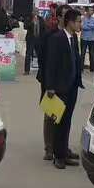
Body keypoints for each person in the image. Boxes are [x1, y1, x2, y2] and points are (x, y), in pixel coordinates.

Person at [42, 8, 85, 169]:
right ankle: (58, 156)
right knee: (58, 122)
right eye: (79, 21)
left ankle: (64, 152)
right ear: (70, 22)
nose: (80, 24)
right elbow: (51, 63)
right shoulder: (57, 38)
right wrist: (50, 86)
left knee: (67, 122)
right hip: (59, 88)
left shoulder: (73, 38)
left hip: (72, 86)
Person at [37, 10, 63, 160]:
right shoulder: (49, 35)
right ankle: (49, 148)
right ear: (59, 18)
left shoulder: (71, 35)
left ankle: (61, 146)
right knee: (50, 114)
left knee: (63, 115)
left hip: (65, 81)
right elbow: (42, 57)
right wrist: (48, 82)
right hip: (50, 81)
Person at [81, 6, 94, 71]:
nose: (92, 12)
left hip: (92, 38)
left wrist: (88, 25)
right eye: (90, 10)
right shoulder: (83, 18)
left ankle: (92, 68)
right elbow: (83, 27)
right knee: (83, 53)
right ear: (87, 11)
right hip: (84, 38)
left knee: (92, 54)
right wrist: (91, 26)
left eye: (92, 10)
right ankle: (81, 68)